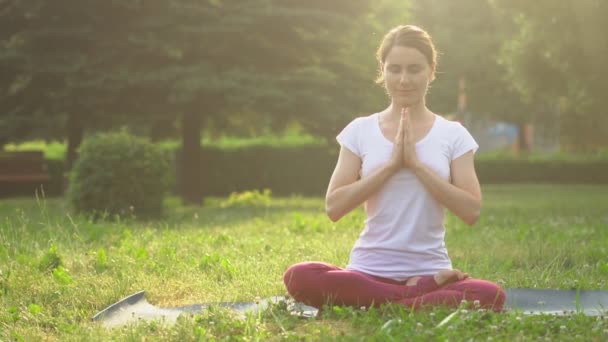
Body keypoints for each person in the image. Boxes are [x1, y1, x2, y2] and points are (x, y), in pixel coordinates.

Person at [283, 25, 505, 312]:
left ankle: (380, 302)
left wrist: (415, 165)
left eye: (414, 69)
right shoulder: (359, 130)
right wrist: (390, 166)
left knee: (490, 294)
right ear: (383, 70)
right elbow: (334, 207)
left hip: (429, 267)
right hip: (367, 271)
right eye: (394, 69)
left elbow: (471, 210)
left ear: (431, 71)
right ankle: (417, 298)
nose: (404, 79)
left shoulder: (453, 134)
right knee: (299, 276)